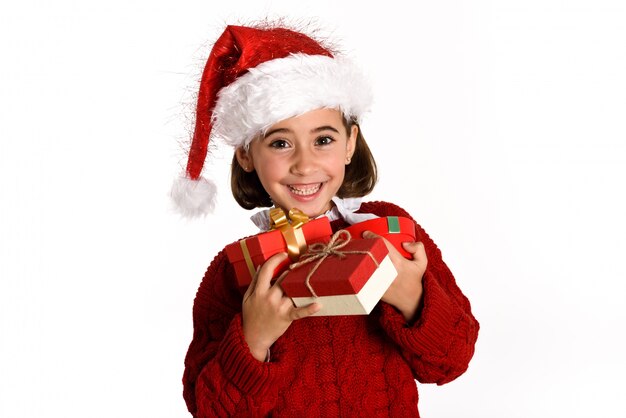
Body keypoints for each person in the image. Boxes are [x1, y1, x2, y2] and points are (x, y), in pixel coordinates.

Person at [172, 23, 479, 417]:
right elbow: (210, 410)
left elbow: (452, 361)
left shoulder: (390, 229)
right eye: (280, 143)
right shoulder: (234, 272)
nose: (305, 164)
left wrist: (411, 298)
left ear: (350, 143)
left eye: (323, 140)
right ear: (247, 155)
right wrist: (254, 339)